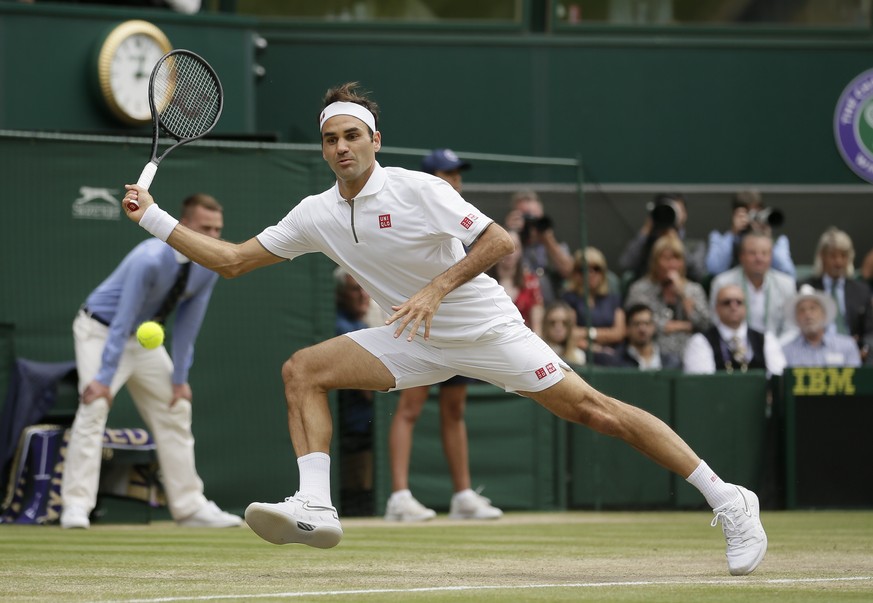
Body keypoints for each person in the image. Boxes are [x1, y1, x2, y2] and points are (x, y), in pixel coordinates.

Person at [121, 82, 767, 576]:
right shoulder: (315, 214)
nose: (341, 147)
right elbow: (232, 260)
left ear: (374, 140)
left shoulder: (418, 189)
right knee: (302, 370)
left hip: (484, 327)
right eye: (330, 139)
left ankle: (729, 498)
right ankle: (315, 506)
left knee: (596, 411)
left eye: (352, 135)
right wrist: (153, 219)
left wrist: (434, 287)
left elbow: (500, 240)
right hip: (412, 335)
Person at [61, 193, 242, 530]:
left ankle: (190, 507)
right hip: (100, 331)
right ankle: (75, 506)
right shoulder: (148, 259)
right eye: (206, 228)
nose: (214, 237)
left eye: (218, 230)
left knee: (177, 408)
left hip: (142, 341)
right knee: (95, 407)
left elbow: (189, 324)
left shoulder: (210, 266)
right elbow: (122, 320)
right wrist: (103, 378)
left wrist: (179, 379)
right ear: (183, 224)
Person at [385, 147, 502, 522]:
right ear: (430, 177)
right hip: (417, 320)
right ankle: (399, 498)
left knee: (454, 411)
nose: (455, 181)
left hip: (460, 322)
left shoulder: (464, 217)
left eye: (457, 174)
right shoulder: (417, 208)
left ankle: (463, 496)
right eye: (447, 174)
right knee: (410, 409)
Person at [624, 234, 710, 360]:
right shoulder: (640, 289)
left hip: (691, 353)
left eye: (677, 258)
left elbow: (704, 324)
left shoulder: (693, 289)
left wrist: (683, 294)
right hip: (652, 353)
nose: (672, 264)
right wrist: (686, 326)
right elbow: (639, 326)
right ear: (655, 262)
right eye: (666, 259)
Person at [333, 267, 375, 516]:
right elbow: (369, 390)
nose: (363, 295)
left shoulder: (360, 324)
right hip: (352, 430)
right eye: (354, 289)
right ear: (339, 295)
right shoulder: (342, 329)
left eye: (365, 288)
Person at [799, 227, 873, 365]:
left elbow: (869, 331)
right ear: (822, 256)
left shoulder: (862, 291)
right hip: (813, 354)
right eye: (833, 256)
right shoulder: (805, 287)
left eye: (843, 256)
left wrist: (864, 349)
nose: (838, 262)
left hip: (854, 355)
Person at [709, 232, 797, 344]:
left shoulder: (787, 284)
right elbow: (716, 321)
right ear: (741, 256)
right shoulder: (722, 283)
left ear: (771, 257)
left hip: (777, 349)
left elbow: (791, 328)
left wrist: (772, 350)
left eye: (764, 253)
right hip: (733, 348)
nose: (759, 258)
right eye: (752, 253)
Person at [683, 285, 786, 376]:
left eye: (739, 302)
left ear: (746, 307)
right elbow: (701, 383)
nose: (733, 307)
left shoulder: (766, 339)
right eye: (727, 302)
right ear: (716, 308)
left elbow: (778, 377)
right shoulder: (700, 342)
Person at [503, 189, 574, 305]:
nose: (531, 223)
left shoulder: (553, 243)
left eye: (535, 218)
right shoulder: (510, 241)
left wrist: (547, 239)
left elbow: (569, 271)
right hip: (518, 306)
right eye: (527, 218)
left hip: (550, 307)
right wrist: (507, 232)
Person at [618, 193, 707, 283]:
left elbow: (697, 274)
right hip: (647, 291)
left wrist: (675, 241)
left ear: (684, 214)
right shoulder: (646, 243)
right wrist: (646, 230)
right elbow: (626, 264)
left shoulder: (695, 245)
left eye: (676, 209)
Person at [706, 190, 795, 278]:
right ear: (735, 214)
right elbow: (715, 269)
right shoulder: (720, 236)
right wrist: (732, 234)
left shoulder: (778, 240)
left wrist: (766, 239)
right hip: (732, 287)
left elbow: (788, 273)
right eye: (748, 213)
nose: (753, 218)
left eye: (757, 213)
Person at [562, 247, 625, 352]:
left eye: (596, 269)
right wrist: (597, 347)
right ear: (575, 273)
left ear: (603, 273)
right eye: (583, 269)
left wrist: (589, 333)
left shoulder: (613, 299)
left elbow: (619, 333)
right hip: (583, 353)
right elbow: (571, 333)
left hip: (614, 353)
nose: (590, 274)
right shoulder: (569, 299)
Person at [782, 285, 861, 367]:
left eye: (813, 308)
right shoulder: (786, 352)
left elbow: (856, 378)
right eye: (802, 310)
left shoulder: (847, 346)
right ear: (796, 318)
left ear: (824, 314)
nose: (807, 314)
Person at [486, 229, 544, 334]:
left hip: (522, 340)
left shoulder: (531, 283)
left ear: (521, 251)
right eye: (505, 246)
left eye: (515, 247)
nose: (510, 252)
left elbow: (537, 328)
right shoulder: (484, 281)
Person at [597, 304, 682, 370]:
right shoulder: (617, 362)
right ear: (627, 328)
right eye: (637, 324)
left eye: (647, 323)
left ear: (653, 327)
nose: (642, 329)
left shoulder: (670, 362)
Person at [541, 301, 586, 366]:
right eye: (552, 323)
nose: (558, 328)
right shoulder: (539, 353)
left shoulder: (578, 355)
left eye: (564, 323)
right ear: (545, 325)